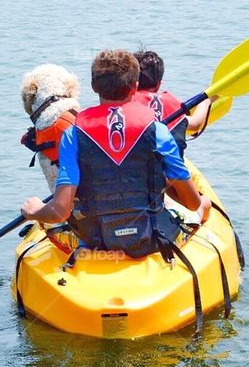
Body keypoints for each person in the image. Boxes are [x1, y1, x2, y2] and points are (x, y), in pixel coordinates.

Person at [20, 50, 211, 258]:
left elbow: (60, 212)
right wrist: (166, 185)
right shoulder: (158, 131)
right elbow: (192, 203)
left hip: (97, 242)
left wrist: (35, 211)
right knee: (204, 205)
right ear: (135, 87)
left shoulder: (72, 136)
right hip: (152, 239)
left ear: (94, 87)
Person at [132, 50, 214, 156]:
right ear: (158, 84)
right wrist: (206, 101)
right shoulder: (170, 102)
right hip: (167, 168)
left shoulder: (125, 102)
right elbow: (195, 124)